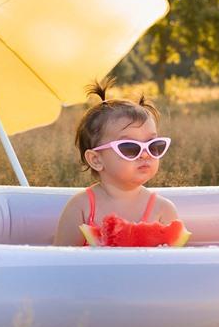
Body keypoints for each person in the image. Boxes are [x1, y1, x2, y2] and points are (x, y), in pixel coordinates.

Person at [53, 76, 179, 246]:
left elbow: (177, 266)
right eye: (129, 148)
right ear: (96, 160)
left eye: (153, 145)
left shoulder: (163, 210)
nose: (145, 154)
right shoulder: (81, 208)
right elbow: (60, 262)